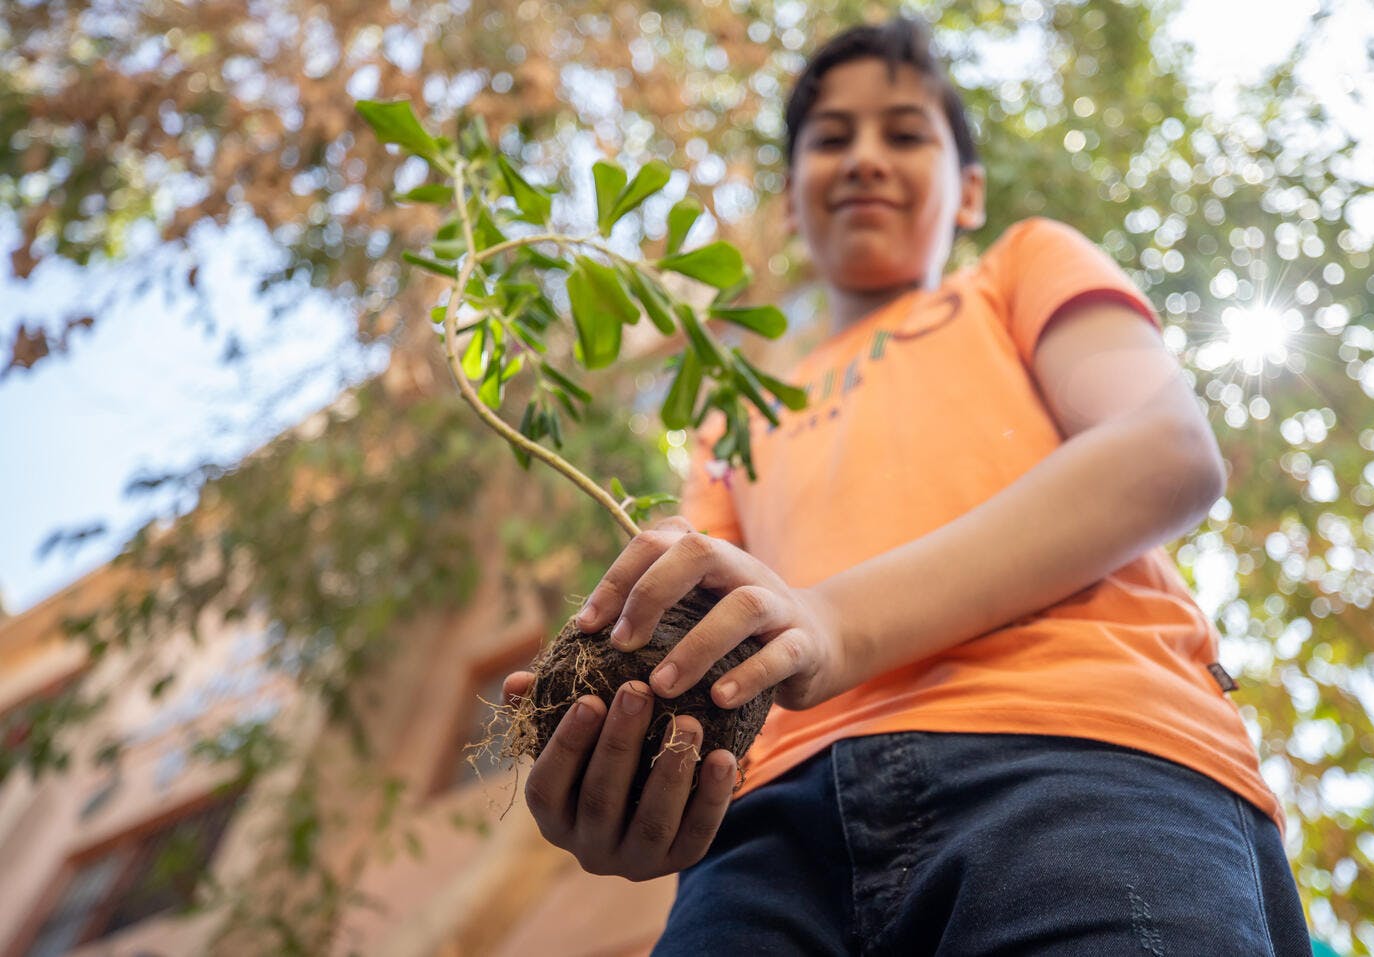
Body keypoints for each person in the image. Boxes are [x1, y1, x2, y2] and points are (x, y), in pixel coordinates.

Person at [503, 17, 1312, 955]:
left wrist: (837, 622)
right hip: (766, 841)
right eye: (832, 139)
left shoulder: (1017, 271)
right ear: (791, 204)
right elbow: (695, 630)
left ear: (968, 192)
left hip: (1076, 753)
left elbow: (1163, 449)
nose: (865, 159)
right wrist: (642, 773)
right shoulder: (731, 416)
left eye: (905, 132)